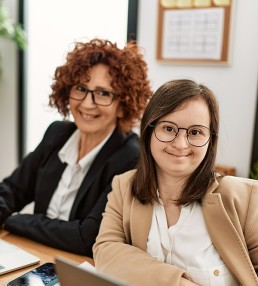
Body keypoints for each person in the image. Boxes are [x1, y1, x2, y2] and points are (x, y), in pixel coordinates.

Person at [93, 79, 258, 286]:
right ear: (149, 131)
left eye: (196, 132)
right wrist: (178, 283)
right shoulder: (123, 186)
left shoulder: (247, 198)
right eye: (169, 128)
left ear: (210, 139)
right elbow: (105, 251)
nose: (180, 144)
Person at [0, 38, 152, 257]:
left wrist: (16, 220)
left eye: (103, 93)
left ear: (123, 105)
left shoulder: (130, 157)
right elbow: (13, 190)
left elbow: (87, 237)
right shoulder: (57, 134)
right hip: (34, 256)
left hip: (81, 269)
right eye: (81, 88)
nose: (87, 103)